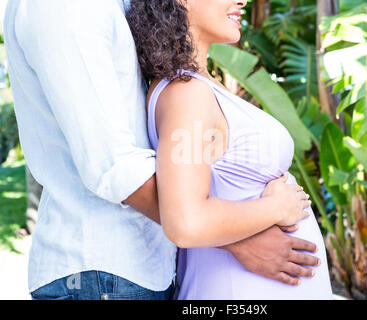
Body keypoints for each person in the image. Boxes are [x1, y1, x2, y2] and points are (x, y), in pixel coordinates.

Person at [4, 0, 320, 300]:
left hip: (137, 270)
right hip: (103, 271)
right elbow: (112, 166)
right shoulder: (69, 7)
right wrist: (243, 237)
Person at [127, 0, 333, 299]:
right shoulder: (187, 94)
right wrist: (276, 208)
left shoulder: (199, 87)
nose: (242, 0)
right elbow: (185, 222)